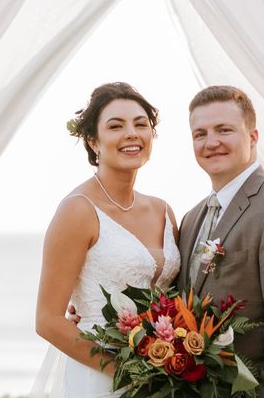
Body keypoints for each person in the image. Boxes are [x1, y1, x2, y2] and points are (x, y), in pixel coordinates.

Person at [33, 82, 181, 398]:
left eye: (141, 124)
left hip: (165, 379)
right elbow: (47, 321)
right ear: (93, 141)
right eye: (116, 126)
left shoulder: (164, 210)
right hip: (101, 378)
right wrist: (128, 371)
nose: (131, 133)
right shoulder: (78, 211)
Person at [179, 86, 264, 398]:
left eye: (224, 130)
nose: (211, 142)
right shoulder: (192, 218)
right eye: (199, 133)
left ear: (253, 137)